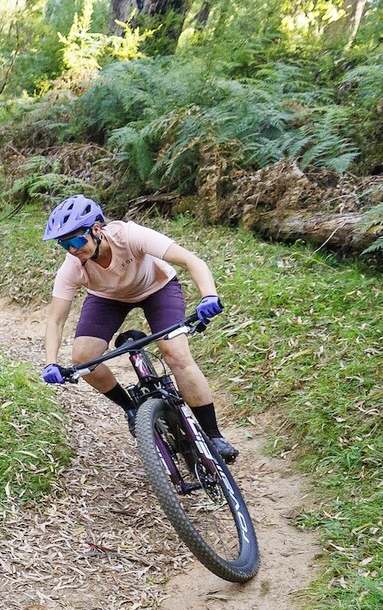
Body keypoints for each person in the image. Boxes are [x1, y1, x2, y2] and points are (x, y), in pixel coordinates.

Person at [37, 194, 238, 463]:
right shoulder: (72, 267)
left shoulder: (130, 235)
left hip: (158, 288)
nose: (73, 250)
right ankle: (132, 409)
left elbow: (192, 261)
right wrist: (50, 362)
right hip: (108, 299)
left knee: (176, 353)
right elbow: (56, 319)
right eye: (65, 245)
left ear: (97, 229)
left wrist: (209, 296)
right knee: (82, 358)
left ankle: (213, 436)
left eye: (76, 241)